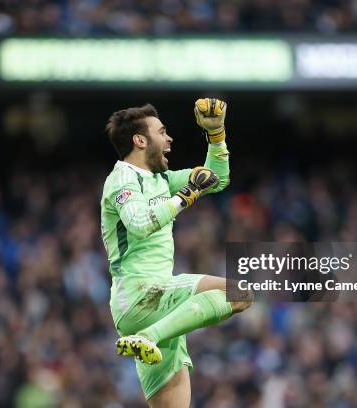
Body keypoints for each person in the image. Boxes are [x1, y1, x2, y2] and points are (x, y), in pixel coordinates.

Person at [100, 98, 253, 407]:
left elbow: (216, 178)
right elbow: (140, 222)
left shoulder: (160, 180)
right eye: (162, 132)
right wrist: (187, 195)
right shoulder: (122, 179)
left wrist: (216, 133)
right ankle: (149, 337)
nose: (169, 139)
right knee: (240, 292)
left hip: (157, 305)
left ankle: (148, 337)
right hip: (142, 294)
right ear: (140, 140)